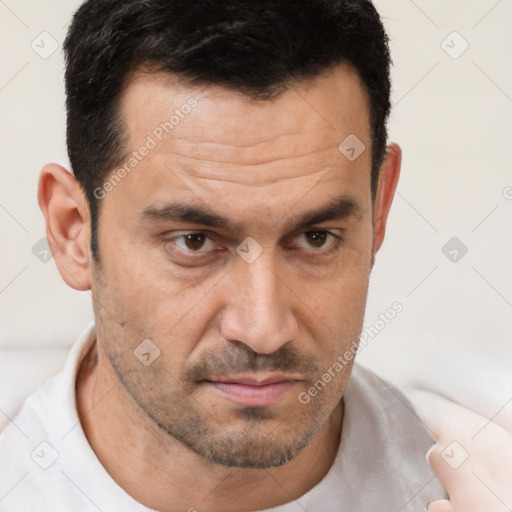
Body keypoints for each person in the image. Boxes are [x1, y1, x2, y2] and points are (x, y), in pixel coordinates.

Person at [0, 0, 447, 510]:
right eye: (194, 242)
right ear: (72, 232)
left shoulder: (463, 478)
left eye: (316, 237)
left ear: (379, 209)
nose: (263, 328)